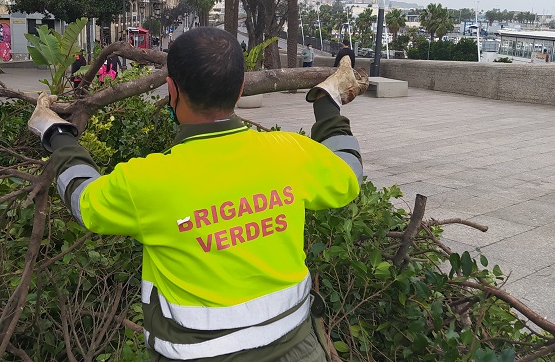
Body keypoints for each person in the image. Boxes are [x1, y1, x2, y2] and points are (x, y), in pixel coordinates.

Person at [28, 27, 366, 361]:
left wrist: (56, 132)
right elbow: (348, 172)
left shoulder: (146, 181)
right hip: (298, 347)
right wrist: (327, 101)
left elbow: (84, 199)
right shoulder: (290, 153)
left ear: (172, 89)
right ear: (241, 89)